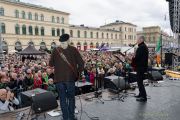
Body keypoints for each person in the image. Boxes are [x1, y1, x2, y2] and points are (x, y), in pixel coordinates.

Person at [49, 34, 84, 120]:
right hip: (70, 79)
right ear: (68, 41)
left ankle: (65, 117)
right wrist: (78, 73)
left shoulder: (55, 50)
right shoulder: (73, 49)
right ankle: (71, 117)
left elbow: (50, 64)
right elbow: (81, 63)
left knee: (62, 99)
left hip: (59, 80)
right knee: (71, 99)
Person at [134, 36, 149, 102]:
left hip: (140, 67)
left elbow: (138, 57)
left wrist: (133, 59)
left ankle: (143, 97)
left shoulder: (141, 47)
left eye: (138, 39)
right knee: (140, 82)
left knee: (140, 82)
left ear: (141, 40)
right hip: (142, 67)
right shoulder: (143, 46)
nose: (137, 40)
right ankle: (141, 94)